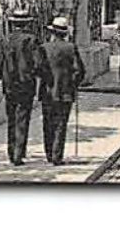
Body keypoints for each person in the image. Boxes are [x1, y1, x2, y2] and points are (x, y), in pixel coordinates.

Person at [39, 14, 87, 164]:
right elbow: (79, 71)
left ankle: (48, 153)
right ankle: (57, 156)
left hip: (47, 91)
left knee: (48, 123)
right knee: (61, 124)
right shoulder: (70, 48)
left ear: (52, 33)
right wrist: (73, 84)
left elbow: (39, 68)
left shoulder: (44, 48)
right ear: (65, 33)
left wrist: (46, 80)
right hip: (65, 92)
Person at [0, 6, 40, 165]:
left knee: (11, 119)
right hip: (26, 85)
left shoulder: (6, 39)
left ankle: (11, 151)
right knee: (22, 118)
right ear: (27, 24)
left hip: (9, 85)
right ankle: (18, 153)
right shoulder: (31, 39)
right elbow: (37, 63)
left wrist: (4, 77)